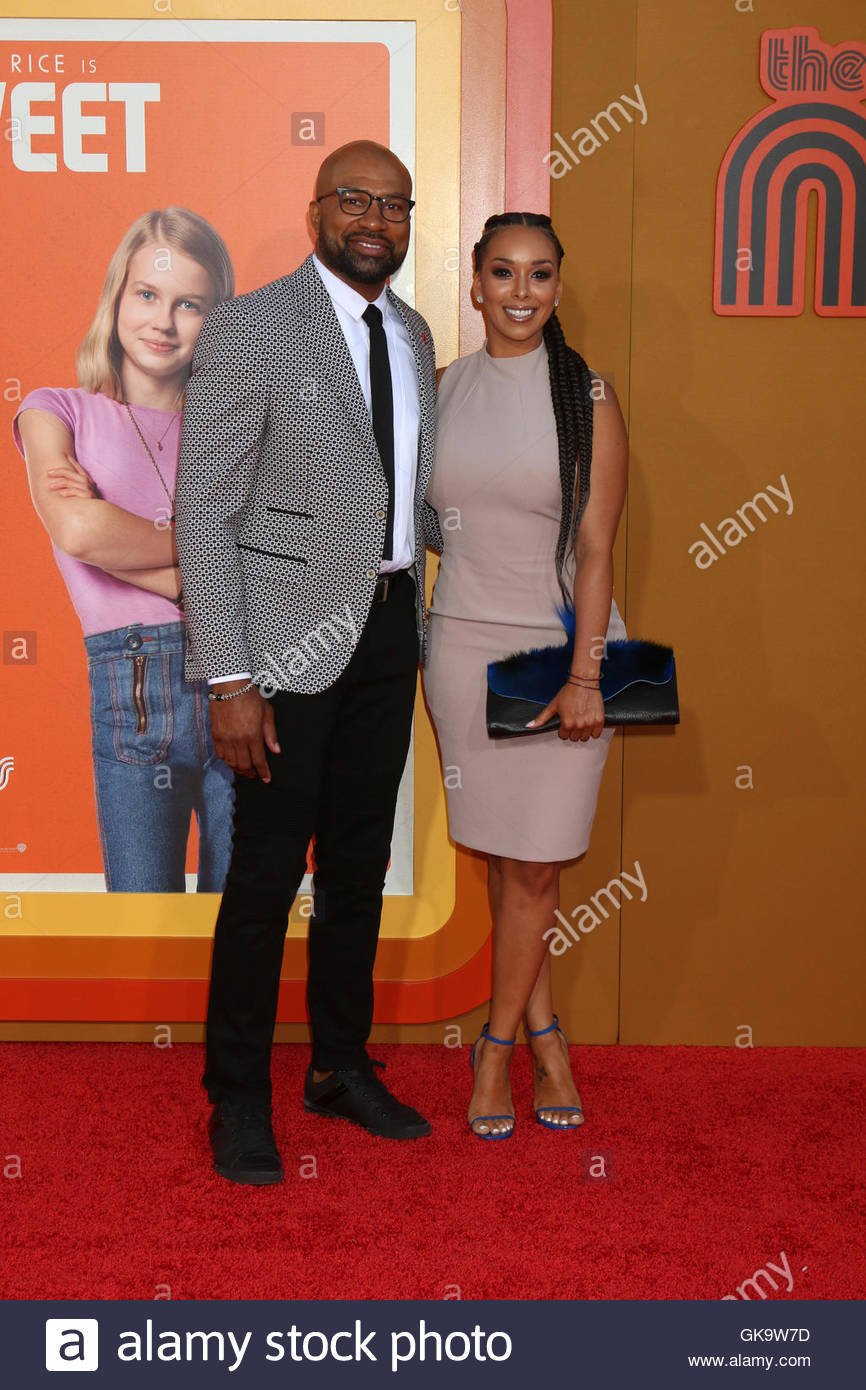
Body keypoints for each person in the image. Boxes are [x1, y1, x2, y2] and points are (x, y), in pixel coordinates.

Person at [174, 140, 438, 1185]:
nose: (375, 220)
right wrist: (230, 677)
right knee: (264, 876)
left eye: (394, 205)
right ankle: (238, 1096)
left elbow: (401, 495)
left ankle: (337, 1066)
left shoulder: (413, 333)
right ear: (317, 210)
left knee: (357, 868)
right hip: (283, 646)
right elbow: (204, 509)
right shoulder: (250, 326)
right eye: (355, 200)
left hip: (389, 629)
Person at [423, 212, 629, 1139]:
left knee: (537, 865)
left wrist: (587, 675)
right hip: (462, 650)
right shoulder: (441, 390)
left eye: (539, 274)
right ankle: (548, 1038)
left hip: (559, 655)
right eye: (502, 273)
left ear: (557, 287)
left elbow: (598, 549)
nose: (520, 291)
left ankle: (495, 1049)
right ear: (475, 286)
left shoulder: (588, 395)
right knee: (509, 862)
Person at [13, 209, 236, 893]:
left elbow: (271, 557)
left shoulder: (235, 425)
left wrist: (150, 552)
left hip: (245, 678)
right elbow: (79, 533)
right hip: (134, 687)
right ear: (117, 296)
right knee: (145, 920)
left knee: (246, 922)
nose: (163, 321)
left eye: (189, 304)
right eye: (146, 294)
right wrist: (200, 562)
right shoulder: (57, 412)